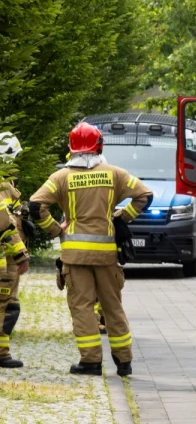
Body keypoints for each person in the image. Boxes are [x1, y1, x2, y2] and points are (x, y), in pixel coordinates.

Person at [29, 122, 152, 376]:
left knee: (82, 306)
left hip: (75, 256)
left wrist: (55, 229)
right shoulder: (114, 174)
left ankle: (91, 362)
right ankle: (124, 362)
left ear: (71, 148)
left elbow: (35, 206)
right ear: (100, 145)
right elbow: (145, 195)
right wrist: (121, 217)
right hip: (106, 254)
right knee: (112, 306)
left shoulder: (61, 177)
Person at [0, 132, 29, 369]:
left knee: (10, 305)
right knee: (6, 306)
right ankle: (1, 353)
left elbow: (14, 217)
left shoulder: (7, 187)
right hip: (4, 258)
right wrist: (22, 254)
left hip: (7, 258)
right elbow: (5, 225)